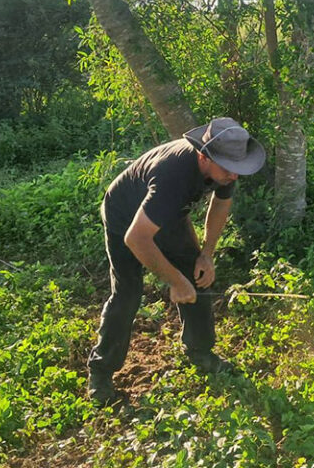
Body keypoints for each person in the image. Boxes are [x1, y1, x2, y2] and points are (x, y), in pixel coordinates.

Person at [87, 117, 266, 404]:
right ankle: (101, 372)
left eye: (238, 169)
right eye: (229, 169)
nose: (235, 176)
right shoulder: (173, 176)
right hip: (126, 217)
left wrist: (206, 254)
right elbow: (137, 238)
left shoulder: (226, 169)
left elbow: (220, 205)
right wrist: (175, 280)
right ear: (203, 156)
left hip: (168, 215)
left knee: (198, 274)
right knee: (128, 293)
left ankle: (200, 352)